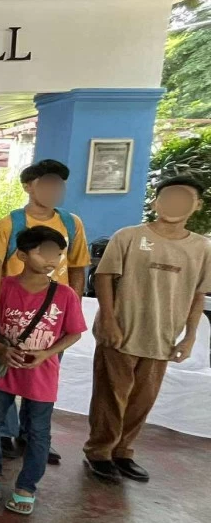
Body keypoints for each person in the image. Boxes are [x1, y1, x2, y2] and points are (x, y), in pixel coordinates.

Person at [84, 175, 211, 483]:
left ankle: (124, 452)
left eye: (184, 197)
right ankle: (99, 452)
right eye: (168, 196)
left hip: (162, 336)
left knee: (143, 398)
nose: (175, 203)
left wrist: (190, 336)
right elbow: (104, 277)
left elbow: (198, 295)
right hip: (121, 332)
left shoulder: (202, 248)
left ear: (197, 205)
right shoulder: (128, 236)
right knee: (110, 395)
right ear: (156, 202)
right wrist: (109, 321)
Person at [0, 158, 89, 464]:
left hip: (52, 320)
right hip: (11, 318)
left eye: (58, 184)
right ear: (29, 187)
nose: (53, 190)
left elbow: (79, 266)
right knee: (3, 377)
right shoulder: (10, 224)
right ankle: (3, 433)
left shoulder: (72, 223)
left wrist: (74, 305)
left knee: (41, 377)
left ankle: (34, 436)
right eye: (46, 183)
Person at [0, 227, 85, 515]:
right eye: (44, 252)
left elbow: (75, 332)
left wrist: (47, 354)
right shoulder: (3, 287)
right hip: (4, 368)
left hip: (42, 373)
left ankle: (27, 487)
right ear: (22, 254)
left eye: (57, 254)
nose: (52, 259)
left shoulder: (65, 295)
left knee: (38, 431)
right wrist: (0, 349)